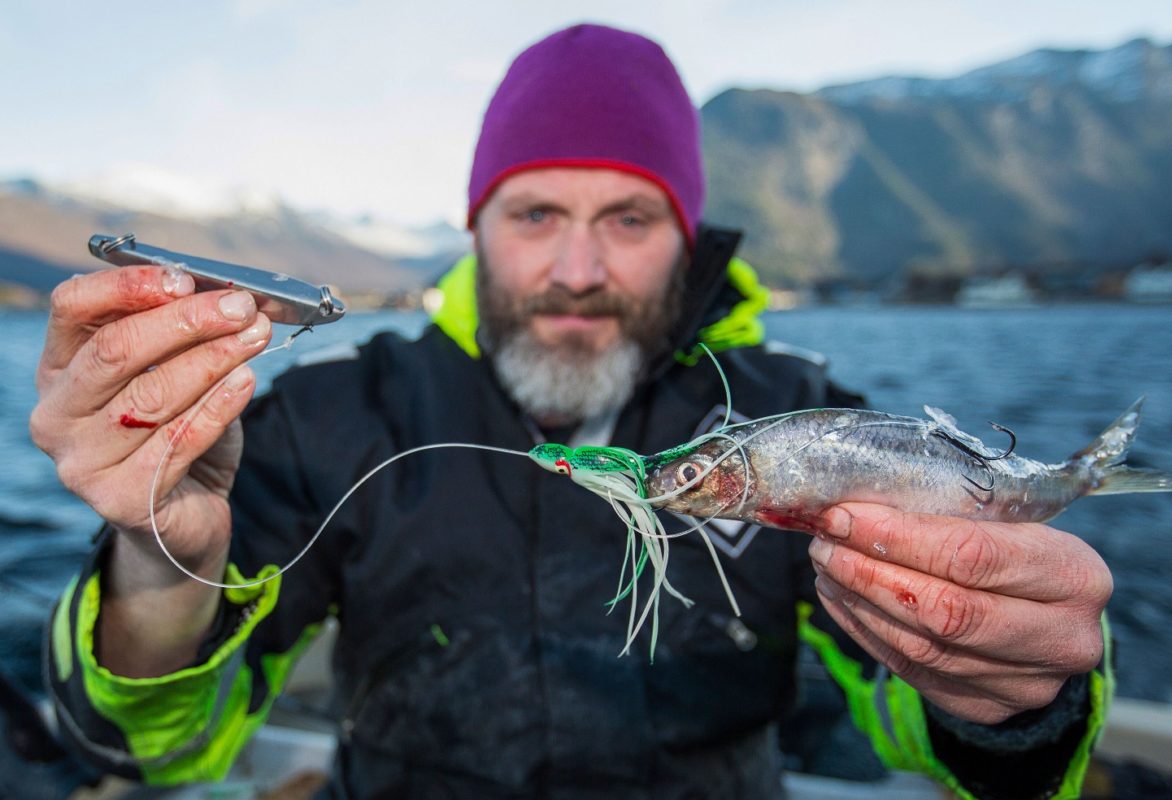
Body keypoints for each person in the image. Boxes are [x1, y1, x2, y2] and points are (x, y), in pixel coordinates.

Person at [32, 23, 1113, 800]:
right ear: (478, 224)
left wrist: (1012, 692)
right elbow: (158, 750)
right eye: (537, 211)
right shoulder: (327, 416)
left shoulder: (804, 421)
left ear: (687, 234)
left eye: (630, 216)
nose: (578, 267)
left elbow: (932, 729)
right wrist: (150, 560)